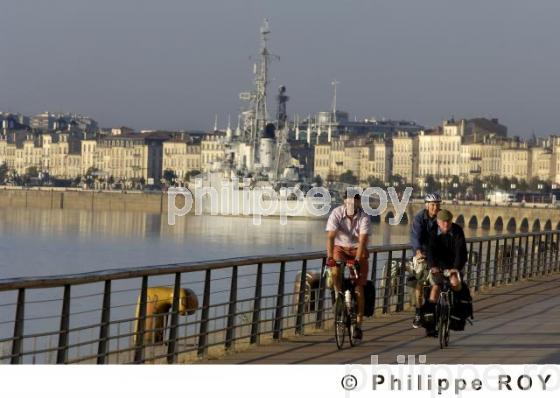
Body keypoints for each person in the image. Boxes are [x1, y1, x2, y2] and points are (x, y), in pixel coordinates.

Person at [326, 190, 370, 340]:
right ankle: (339, 296)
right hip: (340, 247)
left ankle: (358, 324)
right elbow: (331, 236)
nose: (351, 204)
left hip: (358, 249)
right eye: (349, 201)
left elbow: (363, 240)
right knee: (335, 271)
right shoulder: (336, 213)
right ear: (344, 201)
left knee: (358, 287)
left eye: (355, 201)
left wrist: (357, 260)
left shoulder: (364, 217)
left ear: (358, 202)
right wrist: (330, 257)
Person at [424, 209, 467, 334]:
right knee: (435, 288)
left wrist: (456, 268)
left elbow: (461, 252)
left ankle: (457, 313)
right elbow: (430, 252)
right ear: (438, 222)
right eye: (443, 222)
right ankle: (430, 323)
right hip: (438, 266)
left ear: (451, 221)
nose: (446, 224)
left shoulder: (458, 231)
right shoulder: (432, 232)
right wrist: (432, 266)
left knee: (455, 283)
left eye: (448, 222)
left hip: (454, 265)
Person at [410, 192, 441, 328]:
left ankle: (438, 308)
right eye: (433, 205)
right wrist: (418, 251)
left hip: (437, 254)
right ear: (427, 205)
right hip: (422, 252)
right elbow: (416, 236)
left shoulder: (442, 218)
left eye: (437, 205)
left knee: (439, 281)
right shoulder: (419, 218)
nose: (435, 207)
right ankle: (418, 312)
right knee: (419, 282)